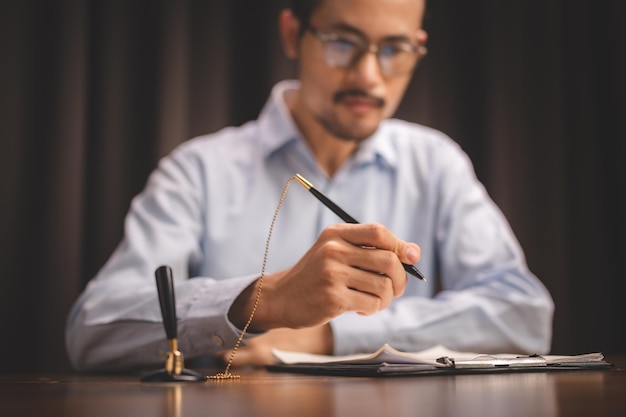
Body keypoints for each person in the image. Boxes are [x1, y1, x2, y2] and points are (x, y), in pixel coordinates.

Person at [66, 0, 554, 372]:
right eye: (343, 41)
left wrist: (330, 338)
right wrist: (265, 300)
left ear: (417, 45)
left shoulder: (437, 163)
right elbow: (92, 329)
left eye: (395, 49)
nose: (369, 75)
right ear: (293, 33)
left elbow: (523, 314)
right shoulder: (199, 169)